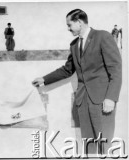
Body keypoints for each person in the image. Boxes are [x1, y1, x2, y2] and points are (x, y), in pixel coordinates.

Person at [32, 9, 122, 156]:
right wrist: (44, 79)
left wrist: (111, 98)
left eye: (69, 25)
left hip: (102, 100)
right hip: (82, 100)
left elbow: (116, 69)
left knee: (105, 143)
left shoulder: (103, 36)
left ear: (79, 22)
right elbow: (68, 70)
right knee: (88, 144)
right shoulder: (74, 44)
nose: (68, 29)